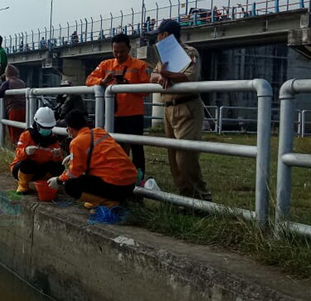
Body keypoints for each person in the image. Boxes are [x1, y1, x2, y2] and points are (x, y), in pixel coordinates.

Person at [150, 19, 211, 201]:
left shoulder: (189, 53)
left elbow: (190, 77)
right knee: (173, 158)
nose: (157, 39)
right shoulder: (163, 56)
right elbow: (152, 75)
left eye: (159, 35)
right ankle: (185, 198)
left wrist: (168, 75)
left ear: (166, 35)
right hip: (169, 108)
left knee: (185, 157)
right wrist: (162, 76)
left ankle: (202, 199)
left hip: (187, 107)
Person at [85, 33, 150, 176]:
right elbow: (89, 80)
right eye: (116, 51)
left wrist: (129, 85)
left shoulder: (140, 65)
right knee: (114, 147)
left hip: (134, 114)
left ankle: (139, 178)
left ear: (129, 48)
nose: (119, 55)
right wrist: (102, 81)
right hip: (113, 114)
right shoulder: (105, 65)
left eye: (122, 51)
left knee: (137, 148)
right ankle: (118, 175)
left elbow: (147, 90)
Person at [47, 110, 138, 207]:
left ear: (70, 129)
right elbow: (98, 152)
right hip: (131, 182)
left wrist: (58, 180)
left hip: (117, 185)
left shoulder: (77, 142)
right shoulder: (99, 131)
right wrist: (72, 156)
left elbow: (74, 172)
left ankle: (109, 203)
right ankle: (105, 199)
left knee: (71, 186)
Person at [10, 107, 64, 194]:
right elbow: (18, 154)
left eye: (49, 127)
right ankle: (23, 185)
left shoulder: (53, 139)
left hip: (42, 169)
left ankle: (48, 183)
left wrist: (57, 155)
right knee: (27, 164)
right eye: (44, 127)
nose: (46, 130)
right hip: (24, 169)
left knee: (59, 166)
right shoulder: (26, 135)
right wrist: (26, 151)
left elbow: (58, 159)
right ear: (37, 124)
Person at [0, 64, 26, 144]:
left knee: (14, 136)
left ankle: (16, 152)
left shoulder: (8, 82)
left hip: (14, 110)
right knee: (23, 134)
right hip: (25, 110)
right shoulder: (22, 82)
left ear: (6, 74)